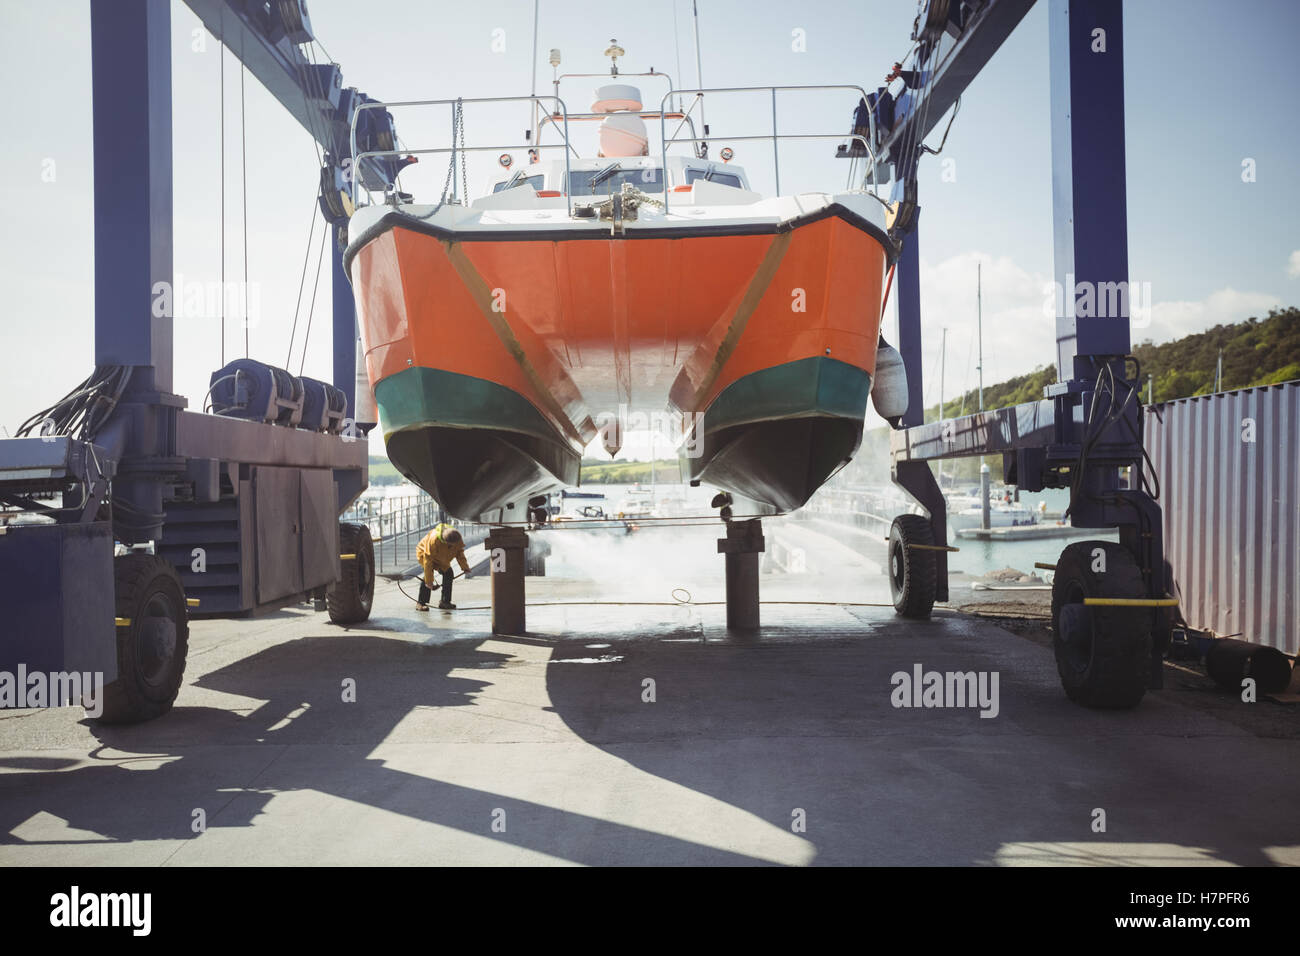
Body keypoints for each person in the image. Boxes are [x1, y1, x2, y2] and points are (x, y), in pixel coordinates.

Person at [415, 523, 471, 611]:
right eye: (450, 545)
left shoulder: (457, 538)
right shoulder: (433, 540)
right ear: (444, 541)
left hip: (442, 557)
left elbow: (459, 552)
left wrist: (465, 567)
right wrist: (429, 581)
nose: (453, 546)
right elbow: (428, 562)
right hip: (425, 554)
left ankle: (445, 602)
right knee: (427, 576)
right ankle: (421, 603)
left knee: (448, 573)